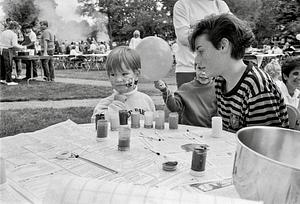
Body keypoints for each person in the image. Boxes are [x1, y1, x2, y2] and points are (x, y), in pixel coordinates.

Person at [189, 14, 289, 132]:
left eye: (201, 51)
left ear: (223, 45)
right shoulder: (220, 81)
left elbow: (261, 147)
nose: (196, 60)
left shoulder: (256, 89)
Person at [173, 0, 230, 88]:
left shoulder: (220, 4)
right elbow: (184, 37)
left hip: (217, 69)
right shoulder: (182, 4)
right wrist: (216, 32)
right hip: (188, 69)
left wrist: (197, 31)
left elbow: (232, 32)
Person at [91, 46, 156, 122]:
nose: (118, 79)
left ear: (136, 75)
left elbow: (153, 126)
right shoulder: (104, 104)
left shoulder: (146, 100)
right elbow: (96, 126)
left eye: (124, 74)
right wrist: (116, 105)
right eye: (113, 74)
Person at [154, 61, 217, 127]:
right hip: (189, 129)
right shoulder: (186, 88)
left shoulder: (218, 89)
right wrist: (164, 90)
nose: (203, 73)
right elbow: (174, 108)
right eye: (200, 68)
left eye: (207, 69)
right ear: (195, 68)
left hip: (209, 131)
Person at [0, 21, 25, 85]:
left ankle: (2, 78)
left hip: (1, 49)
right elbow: (14, 45)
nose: (18, 30)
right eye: (17, 29)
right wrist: (22, 47)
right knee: (8, 65)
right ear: (15, 27)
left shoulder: (3, 32)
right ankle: (9, 80)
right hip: (7, 50)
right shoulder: (13, 34)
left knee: (2, 65)